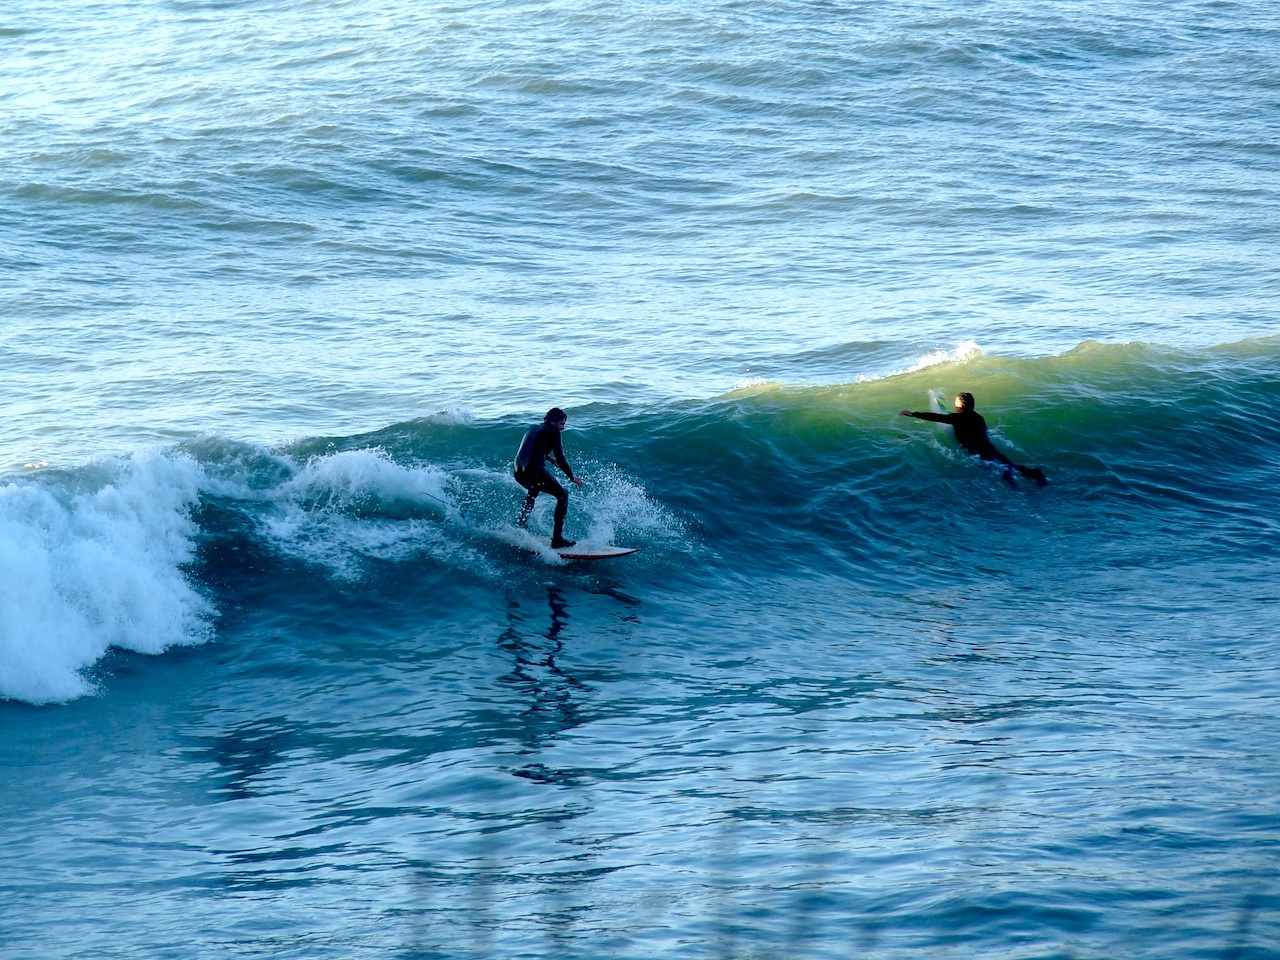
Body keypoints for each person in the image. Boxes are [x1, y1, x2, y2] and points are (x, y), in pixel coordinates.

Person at [900, 392, 1047, 486]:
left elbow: (936, 417)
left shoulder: (957, 418)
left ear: (961, 406)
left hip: (976, 452)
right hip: (989, 448)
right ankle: (1034, 473)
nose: (954, 404)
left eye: (956, 403)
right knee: (1011, 465)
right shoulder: (979, 418)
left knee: (992, 468)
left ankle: (1009, 478)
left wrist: (913, 414)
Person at [514, 407, 584, 548]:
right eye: (562, 424)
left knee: (534, 489)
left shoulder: (533, 428)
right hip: (533, 469)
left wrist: (547, 458)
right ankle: (557, 540)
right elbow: (561, 458)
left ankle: (521, 524)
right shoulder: (554, 432)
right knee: (563, 495)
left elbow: (530, 448)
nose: (563, 428)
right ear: (553, 421)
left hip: (518, 470)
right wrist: (572, 477)